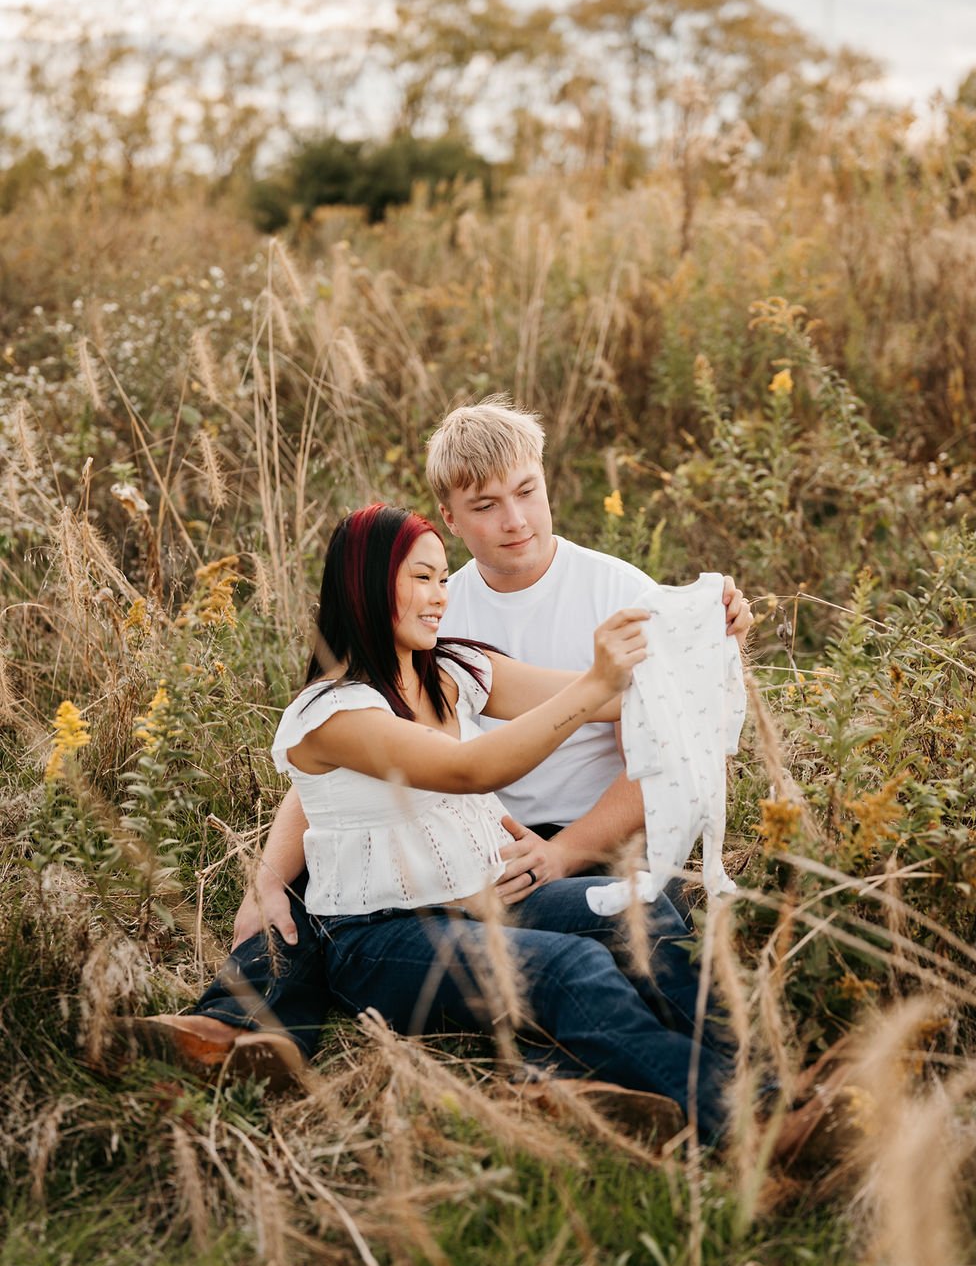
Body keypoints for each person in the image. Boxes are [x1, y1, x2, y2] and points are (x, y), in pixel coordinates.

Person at [146, 399, 751, 1086]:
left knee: (629, 920)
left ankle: (708, 1080)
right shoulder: (409, 647)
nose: (514, 520)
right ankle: (242, 1028)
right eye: (487, 505)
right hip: (452, 856)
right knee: (319, 878)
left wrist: (711, 631)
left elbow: (657, 712)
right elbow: (346, 784)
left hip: (555, 841)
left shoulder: (570, 611)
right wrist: (267, 877)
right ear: (452, 517)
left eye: (527, 492)